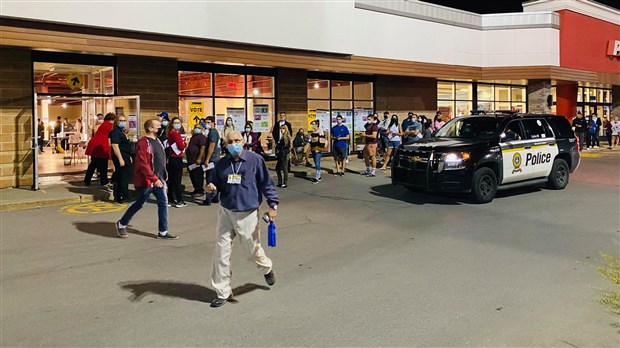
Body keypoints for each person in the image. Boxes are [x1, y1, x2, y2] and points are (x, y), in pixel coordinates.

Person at [205, 130, 278, 308]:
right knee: (221, 253)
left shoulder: (255, 160)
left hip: (248, 213)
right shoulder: (221, 164)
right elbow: (215, 185)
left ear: (243, 141)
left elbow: (266, 184)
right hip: (226, 212)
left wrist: (273, 205)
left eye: (237, 140)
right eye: (230, 141)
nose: (234, 144)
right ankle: (222, 291)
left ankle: (266, 267)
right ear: (226, 143)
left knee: (251, 251)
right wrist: (211, 188)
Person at [115, 119, 178, 240]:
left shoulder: (157, 141)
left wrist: (163, 175)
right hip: (147, 180)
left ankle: (163, 232)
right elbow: (143, 163)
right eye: (158, 126)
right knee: (140, 203)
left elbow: (160, 159)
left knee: (163, 203)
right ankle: (122, 223)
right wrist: (153, 178)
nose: (160, 128)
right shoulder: (144, 143)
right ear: (150, 128)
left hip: (159, 179)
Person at [84, 112, 115, 186]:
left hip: (95, 144)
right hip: (101, 146)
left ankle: (87, 180)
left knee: (93, 163)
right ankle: (103, 180)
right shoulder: (109, 125)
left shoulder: (103, 124)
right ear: (111, 120)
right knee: (103, 164)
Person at [109, 113, 132, 203]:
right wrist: (120, 159)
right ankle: (124, 196)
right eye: (120, 121)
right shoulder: (115, 132)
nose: (123, 122)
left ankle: (118, 197)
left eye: (124, 121)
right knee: (123, 177)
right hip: (121, 156)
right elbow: (115, 146)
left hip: (125, 155)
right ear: (116, 122)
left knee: (119, 177)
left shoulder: (121, 132)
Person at [166, 117, 187, 208]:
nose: (178, 124)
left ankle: (170, 199)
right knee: (177, 180)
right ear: (172, 124)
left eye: (179, 122)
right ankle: (179, 200)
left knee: (171, 180)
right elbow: (181, 146)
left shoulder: (170, 133)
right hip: (177, 158)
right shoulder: (175, 134)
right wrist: (185, 143)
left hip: (171, 158)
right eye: (176, 122)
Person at [202, 116, 222, 206]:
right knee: (214, 179)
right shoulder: (213, 132)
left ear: (213, 123)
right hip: (216, 158)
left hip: (212, 159)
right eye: (206, 122)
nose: (207, 124)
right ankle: (215, 197)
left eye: (209, 122)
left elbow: (211, 146)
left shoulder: (213, 133)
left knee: (209, 179)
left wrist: (207, 159)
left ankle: (208, 198)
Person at [186, 123, 207, 198]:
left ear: (201, 129)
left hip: (197, 161)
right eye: (195, 127)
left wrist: (199, 158)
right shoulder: (194, 136)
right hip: (191, 161)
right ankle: (196, 189)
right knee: (193, 176)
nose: (196, 129)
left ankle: (200, 190)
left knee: (197, 176)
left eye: (198, 128)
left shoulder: (201, 137)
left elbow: (203, 148)